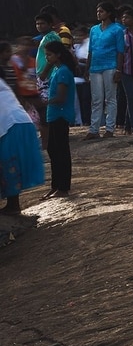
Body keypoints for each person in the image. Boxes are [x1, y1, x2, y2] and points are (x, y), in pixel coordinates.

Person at [39, 42, 76, 196]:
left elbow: (61, 97)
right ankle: (56, 185)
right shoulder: (56, 70)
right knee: (53, 149)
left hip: (61, 114)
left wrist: (45, 102)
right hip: (54, 114)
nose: (47, 57)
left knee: (61, 150)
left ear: (58, 55)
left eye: (49, 54)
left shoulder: (63, 72)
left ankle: (63, 187)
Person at [0, 80, 41, 216]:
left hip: (12, 125)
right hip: (20, 123)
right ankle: (12, 203)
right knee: (10, 164)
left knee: (8, 164)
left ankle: (13, 205)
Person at [86, 5, 126, 138]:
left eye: (101, 11)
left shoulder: (117, 30)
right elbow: (90, 50)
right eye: (97, 11)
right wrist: (87, 68)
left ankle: (109, 128)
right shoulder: (93, 29)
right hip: (95, 66)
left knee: (110, 98)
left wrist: (119, 69)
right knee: (96, 99)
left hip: (110, 65)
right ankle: (94, 129)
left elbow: (120, 51)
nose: (98, 13)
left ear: (109, 13)